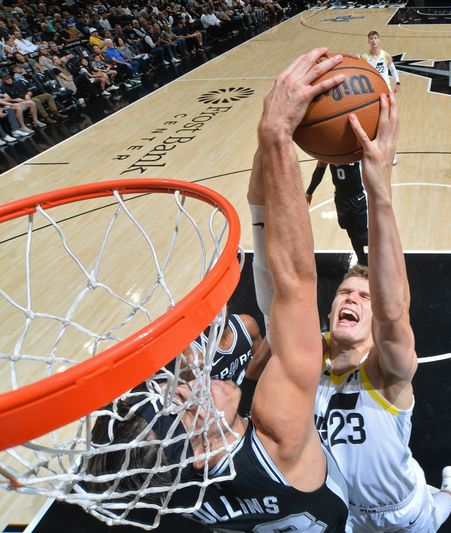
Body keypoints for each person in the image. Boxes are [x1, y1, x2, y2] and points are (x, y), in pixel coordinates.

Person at [88, 49, 352, 532]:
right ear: (203, 449)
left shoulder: (171, 488)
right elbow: (296, 283)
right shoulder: (280, 438)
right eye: (188, 408)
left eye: (177, 391)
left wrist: (262, 187)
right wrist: (275, 135)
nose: (189, 386)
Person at [309, 88, 451, 532]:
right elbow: (286, 281)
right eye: (346, 293)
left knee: (443, 505)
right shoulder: (306, 357)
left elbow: (395, 316)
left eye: (365, 297)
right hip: (343, 516)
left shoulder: (386, 371)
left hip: (404, 514)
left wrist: (379, 188)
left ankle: (449, 490)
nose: (352, 299)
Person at [306, 160, 369, 265]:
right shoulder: (329, 151)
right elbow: (320, 168)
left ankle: (387, 248)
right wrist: (309, 192)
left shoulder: (356, 147)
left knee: (362, 237)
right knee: (351, 233)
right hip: (341, 198)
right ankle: (362, 261)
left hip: (358, 197)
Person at [360, 30, 400, 165]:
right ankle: (374, 152)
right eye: (371, 38)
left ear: (379, 40)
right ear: (368, 41)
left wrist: (398, 82)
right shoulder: (365, 57)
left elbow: (393, 69)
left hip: (386, 91)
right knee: (374, 123)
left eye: (375, 38)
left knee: (390, 123)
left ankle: (393, 153)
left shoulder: (385, 55)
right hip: (372, 93)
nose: (373, 40)